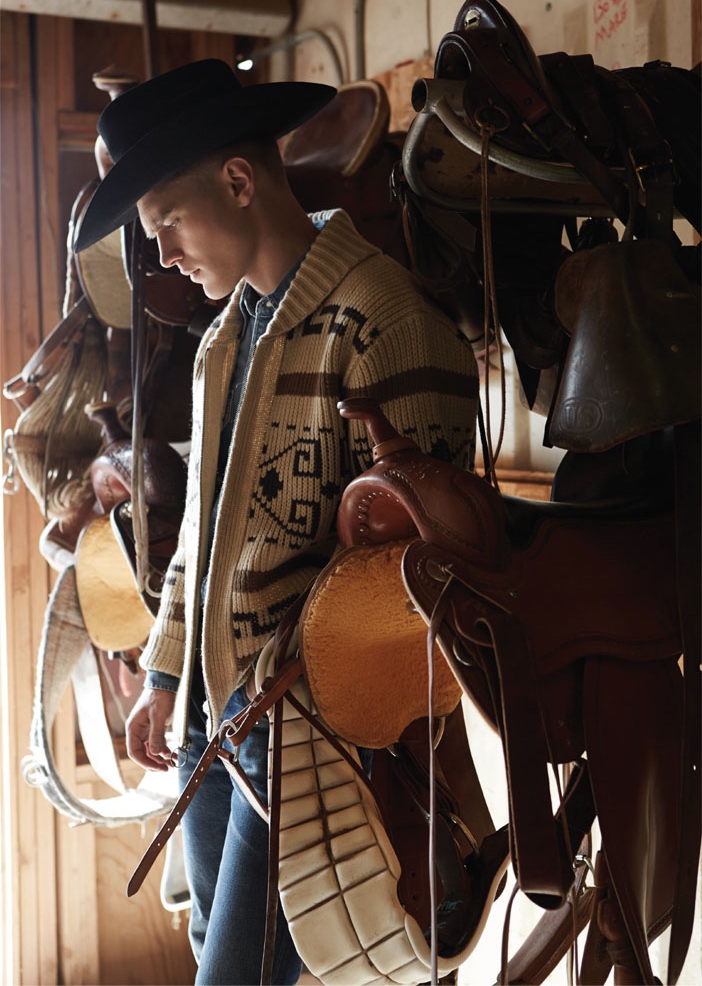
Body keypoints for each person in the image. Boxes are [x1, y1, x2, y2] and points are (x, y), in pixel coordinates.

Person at [75, 58, 480, 985]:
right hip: (211, 720)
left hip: (306, 735)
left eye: (168, 223)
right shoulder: (225, 339)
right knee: (212, 950)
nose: (165, 257)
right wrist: (166, 673)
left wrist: (296, 693)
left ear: (237, 181)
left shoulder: (384, 321)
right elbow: (201, 533)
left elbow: (421, 574)